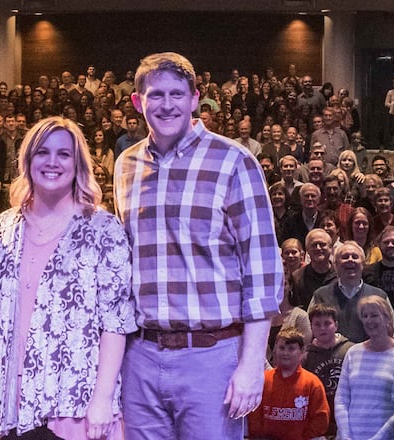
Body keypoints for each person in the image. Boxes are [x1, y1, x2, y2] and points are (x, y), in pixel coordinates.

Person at [114, 52, 283, 439]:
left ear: (195, 99)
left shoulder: (234, 161)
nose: (167, 104)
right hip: (141, 356)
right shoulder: (126, 165)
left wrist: (252, 363)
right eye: (155, 95)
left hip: (212, 356)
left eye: (177, 94)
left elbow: (261, 269)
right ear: (138, 102)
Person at [0, 117, 135, 439]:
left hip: (76, 405)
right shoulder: (5, 225)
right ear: (27, 160)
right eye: (42, 152)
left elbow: (115, 323)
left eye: (64, 154)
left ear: (78, 163)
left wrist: (102, 399)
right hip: (15, 404)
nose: (52, 162)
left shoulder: (103, 229)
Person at [335, 296, 394, 439]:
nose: (369, 320)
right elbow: (341, 399)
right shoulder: (353, 352)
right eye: (365, 316)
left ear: (387, 319)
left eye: (374, 315)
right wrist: (345, 435)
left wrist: (379, 437)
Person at [310, 240, 394, 343]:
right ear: (335, 265)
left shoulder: (379, 296)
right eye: (345, 257)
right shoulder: (320, 295)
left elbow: (393, 333)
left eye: (355, 257)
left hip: (370, 356)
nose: (350, 260)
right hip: (330, 357)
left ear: (363, 264)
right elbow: (310, 334)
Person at [248, 328, 330, 440]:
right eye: (282, 348)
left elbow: (321, 419)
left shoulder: (312, 383)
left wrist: (303, 437)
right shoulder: (263, 380)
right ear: (275, 350)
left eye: (291, 349)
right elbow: (254, 416)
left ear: (302, 352)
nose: (285, 353)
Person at [302, 304, 355, 438]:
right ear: (311, 327)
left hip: (348, 417)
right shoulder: (306, 356)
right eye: (317, 324)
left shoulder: (351, 350)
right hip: (318, 419)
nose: (322, 328)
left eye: (327, 323)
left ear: (336, 325)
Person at [364, 225, 394, 328]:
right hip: (376, 330)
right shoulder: (367, 272)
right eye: (386, 242)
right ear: (379, 245)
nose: (390, 245)